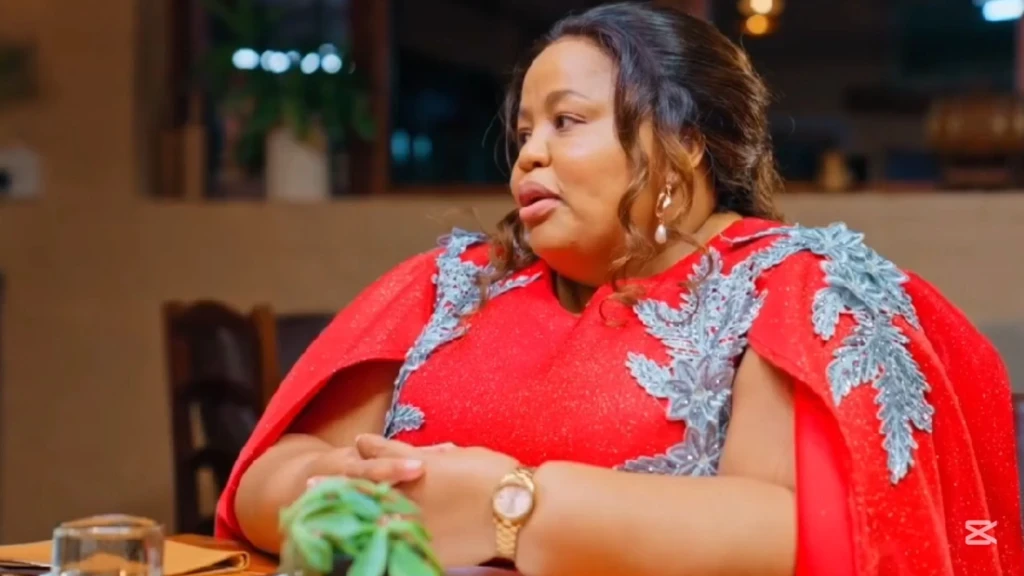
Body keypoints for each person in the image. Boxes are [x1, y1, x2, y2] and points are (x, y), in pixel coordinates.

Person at [215, 4, 1024, 575]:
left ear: (684, 143)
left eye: (565, 122)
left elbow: (778, 530)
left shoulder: (778, 288)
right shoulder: (451, 285)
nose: (529, 154)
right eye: (524, 132)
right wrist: (354, 498)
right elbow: (266, 477)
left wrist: (508, 508)